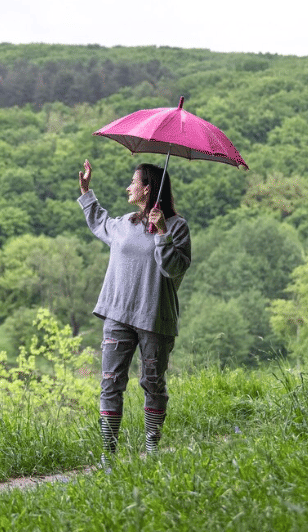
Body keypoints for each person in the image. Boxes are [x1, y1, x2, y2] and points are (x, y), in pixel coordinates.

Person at [77, 158, 191, 458]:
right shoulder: (126, 223)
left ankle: (152, 447)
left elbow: (174, 269)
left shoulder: (177, 227)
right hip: (117, 315)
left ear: (148, 189)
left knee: (153, 383)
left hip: (155, 317)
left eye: (134, 182)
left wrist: (163, 233)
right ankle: (108, 455)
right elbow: (100, 222)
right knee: (111, 383)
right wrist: (87, 192)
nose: (129, 187)